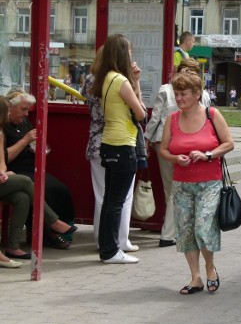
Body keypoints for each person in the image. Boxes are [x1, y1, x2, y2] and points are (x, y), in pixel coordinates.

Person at [159, 69, 234, 295]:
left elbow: (229, 144)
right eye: (176, 94)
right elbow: (163, 149)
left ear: (197, 93)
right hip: (182, 183)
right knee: (185, 231)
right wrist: (175, 158)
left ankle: (211, 269)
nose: (179, 98)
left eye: (183, 94)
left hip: (210, 182)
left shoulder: (212, 115)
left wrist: (208, 155)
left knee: (202, 227)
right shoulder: (172, 120)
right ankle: (195, 278)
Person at [89, 34, 146, 264]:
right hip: (124, 144)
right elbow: (141, 113)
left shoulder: (106, 79)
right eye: (129, 52)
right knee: (116, 201)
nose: (131, 56)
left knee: (109, 200)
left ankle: (107, 248)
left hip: (109, 143)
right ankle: (112, 251)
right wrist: (136, 83)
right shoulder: (121, 81)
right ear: (123, 54)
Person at [144, 58, 210, 247]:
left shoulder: (166, 89)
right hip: (187, 142)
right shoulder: (201, 94)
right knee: (178, 188)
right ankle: (170, 232)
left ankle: (172, 229)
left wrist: (146, 139)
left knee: (171, 189)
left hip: (163, 142)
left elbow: (155, 117)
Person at [0, 96, 77, 258]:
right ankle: (53, 225)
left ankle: (12, 246)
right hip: (18, 171)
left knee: (26, 197)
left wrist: (38, 148)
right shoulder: (3, 131)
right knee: (29, 183)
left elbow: (1, 162)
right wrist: (25, 140)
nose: (26, 114)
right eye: (23, 109)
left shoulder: (20, 125)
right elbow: (6, 157)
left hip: (18, 171)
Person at [81, 47, 138, 253]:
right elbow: (137, 110)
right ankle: (121, 239)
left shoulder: (90, 79)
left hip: (95, 141)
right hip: (118, 140)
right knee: (123, 195)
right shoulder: (118, 81)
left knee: (102, 195)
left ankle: (101, 238)